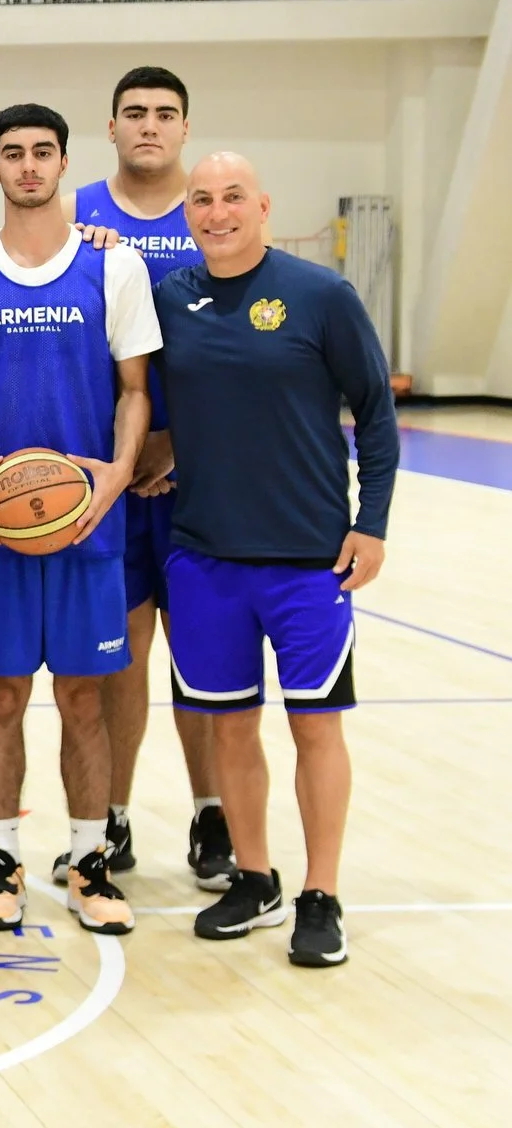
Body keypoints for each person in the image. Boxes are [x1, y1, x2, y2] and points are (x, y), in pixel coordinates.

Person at [0, 104, 158, 938]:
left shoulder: (114, 269)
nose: (28, 167)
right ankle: (1, 856)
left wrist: (117, 475)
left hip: (89, 524)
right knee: (0, 699)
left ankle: (89, 860)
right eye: (13, 154)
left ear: (64, 163)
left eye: (43, 153)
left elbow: (135, 391)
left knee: (86, 700)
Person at [158, 152, 394, 969]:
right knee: (228, 727)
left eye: (232, 199)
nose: (216, 213)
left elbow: (376, 412)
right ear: (185, 212)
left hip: (307, 561)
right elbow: (146, 403)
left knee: (315, 728)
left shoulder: (322, 295)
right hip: (204, 559)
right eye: (201, 201)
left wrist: (373, 523)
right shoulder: (171, 299)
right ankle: (254, 878)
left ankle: (321, 893)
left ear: (261, 206)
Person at [73, 66, 227, 888]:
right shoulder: (76, 219)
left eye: (166, 114)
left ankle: (211, 813)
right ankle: (116, 816)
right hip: (109, 479)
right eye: (134, 112)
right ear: (111, 126)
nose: (149, 127)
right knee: (119, 661)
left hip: (200, 479)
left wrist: (179, 444)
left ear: (185, 128)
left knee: (200, 655)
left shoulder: (211, 217)